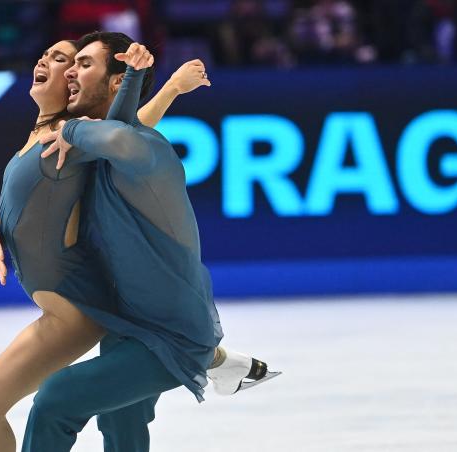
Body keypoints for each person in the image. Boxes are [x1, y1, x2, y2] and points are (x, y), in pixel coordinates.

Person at [20, 31, 279, 452]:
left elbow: (121, 134)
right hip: (127, 322)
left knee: (54, 401)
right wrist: (160, 84)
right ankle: (223, 364)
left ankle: (217, 361)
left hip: (172, 335)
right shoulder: (107, 148)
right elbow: (119, 122)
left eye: (83, 65)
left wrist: (73, 131)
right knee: (122, 423)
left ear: (114, 82)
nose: (70, 72)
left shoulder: (141, 150)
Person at [0, 39, 213, 452]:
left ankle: (205, 353)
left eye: (68, 61)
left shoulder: (68, 141)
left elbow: (128, 130)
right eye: (48, 54)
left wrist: (163, 86)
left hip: (74, 309)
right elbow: (25, 206)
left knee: (7, 405)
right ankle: (213, 356)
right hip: (76, 304)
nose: (51, 62)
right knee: (120, 420)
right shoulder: (45, 135)